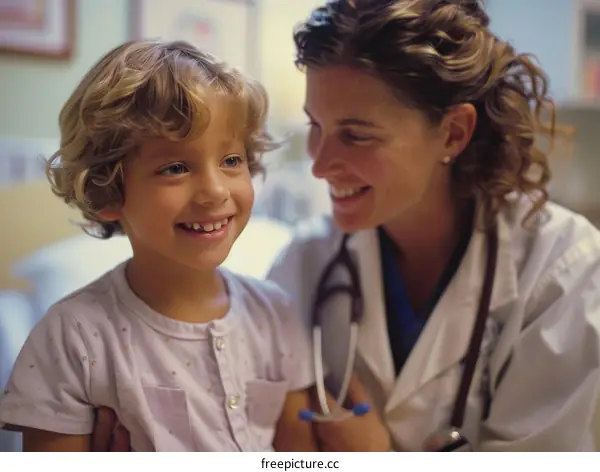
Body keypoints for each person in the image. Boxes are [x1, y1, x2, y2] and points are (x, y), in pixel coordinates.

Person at [92, 0, 600, 452]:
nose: (319, 163)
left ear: (453, 132)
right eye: (316, 126)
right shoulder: (308, 260)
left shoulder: (562, 267)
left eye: (356, 135)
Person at [0, 39, 319, 452]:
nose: (214, 190)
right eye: (175, 167)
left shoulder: (277, 314)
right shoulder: (72, 338)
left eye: (231, 160)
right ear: (110, 191)